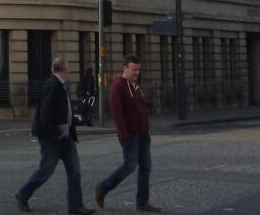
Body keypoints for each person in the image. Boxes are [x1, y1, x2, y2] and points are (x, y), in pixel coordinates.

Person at [15, 57, 94, 215]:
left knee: (74, 171)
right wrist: (55, 133)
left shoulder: (61, 85)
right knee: (45, 171)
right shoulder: (53, 85)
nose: (70, 71)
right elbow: (45, 113)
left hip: (66, 137)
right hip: (53, 138)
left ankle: (75, 206)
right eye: (68, 69)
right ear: (65, 70)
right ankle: (22, 194)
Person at [94, 54, 161, 212]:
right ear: (125, 69)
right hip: (130, 135)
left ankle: (142, 202)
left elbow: (141, 108)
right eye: (134, 70)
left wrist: (146, 127)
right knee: (129, 166)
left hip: (143, 134)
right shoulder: (118, 86)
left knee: (145, 167)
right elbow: (117, 113)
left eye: (138, 69)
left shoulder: (136, 85)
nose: (137, 73)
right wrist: (125, 135)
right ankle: (103, 188)